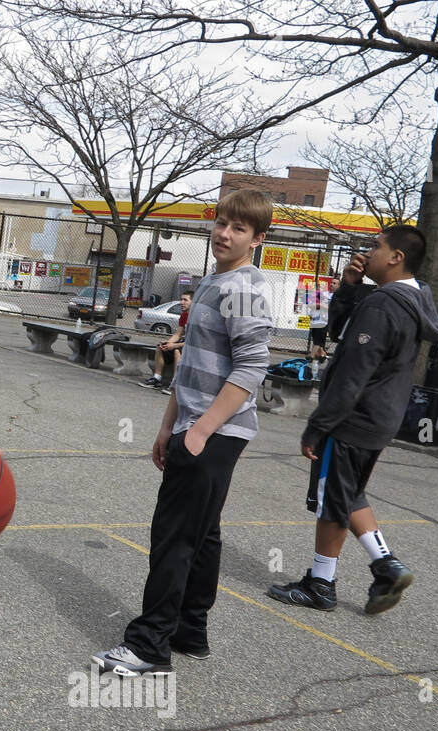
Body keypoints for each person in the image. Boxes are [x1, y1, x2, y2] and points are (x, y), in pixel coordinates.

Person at [93, 188, 274, 675]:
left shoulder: (243, 288)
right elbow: (192, 362)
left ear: (257, 238)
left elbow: (253, 367)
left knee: (173, 536)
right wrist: (168, 424)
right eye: (221, 222)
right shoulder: (217, 282)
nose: (224, 232)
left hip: (215, 433)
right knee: (202, 534)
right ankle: (190, 631)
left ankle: (150, 646)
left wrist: (199, 433)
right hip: (196, 425)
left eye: (239, 228)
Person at [267, 225, 438, 615]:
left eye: (377, 246)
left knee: (332, 497)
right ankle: (386, 566)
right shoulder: (409, 298)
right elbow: (340, 331)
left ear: (397, 256)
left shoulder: (384, 305)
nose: (368, 251)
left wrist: (318, 425)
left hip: (354, 418)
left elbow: (353, 372)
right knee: (348, 493)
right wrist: (349, 287)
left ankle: (321, 585)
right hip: (380, 417)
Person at [140, 290, 193, 394]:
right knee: (161, 347)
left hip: (193, 346)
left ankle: (175, 383)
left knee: (177, 351)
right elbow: (178, 334)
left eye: (185, 300)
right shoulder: (184, 315)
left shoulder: (197, 317)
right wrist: (168, 343)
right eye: (181, 299)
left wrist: (174, 345)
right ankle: (157, 378)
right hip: (184, 343)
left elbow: (193, 341)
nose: (182, 302)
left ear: (193, 302)